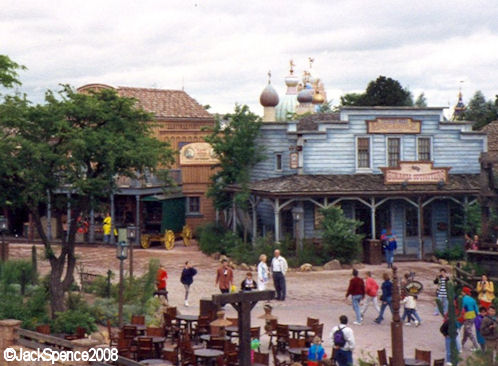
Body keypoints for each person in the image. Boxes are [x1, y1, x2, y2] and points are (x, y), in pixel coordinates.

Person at [461, 286, 480, 351]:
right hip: (473, 315)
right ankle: (462, 343)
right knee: (466, 330)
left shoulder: (463, 299)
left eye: (462, 291)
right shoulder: (472, 299)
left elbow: (462, 308)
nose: (461, 293)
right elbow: (476, 309)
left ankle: (475, 345)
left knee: (468, 330)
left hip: (467, 315)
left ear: (464, 292)